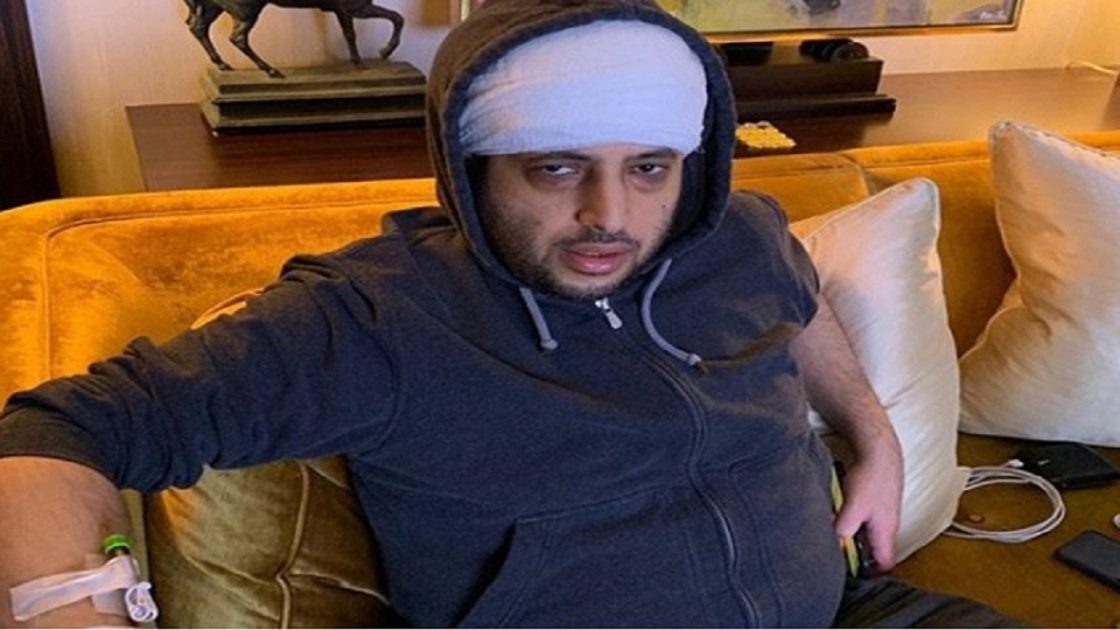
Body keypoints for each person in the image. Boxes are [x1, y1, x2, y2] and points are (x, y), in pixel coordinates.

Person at [0, 0, 1018, 627]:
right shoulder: (379, 319)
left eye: (648, 167)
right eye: (555, 168)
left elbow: (797, 294)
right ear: (472, 168)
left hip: (855, 610)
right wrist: (64, 606)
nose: (609, 216)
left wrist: (873, 435)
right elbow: (55, 432)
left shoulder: (732, 233)